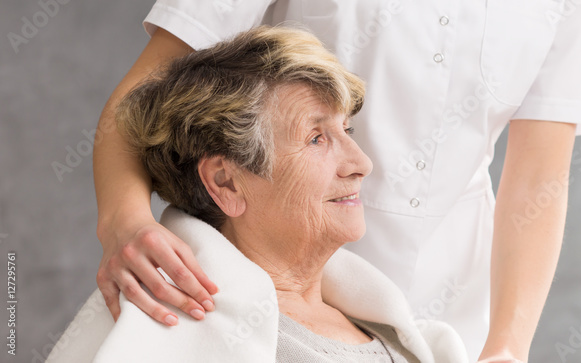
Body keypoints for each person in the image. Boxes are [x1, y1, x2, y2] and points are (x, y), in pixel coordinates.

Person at [92, 1, 581, 361]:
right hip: (268, 284)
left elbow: (539, 176)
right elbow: (141, 98)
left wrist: (508, 345)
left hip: (453, 302)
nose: (360, 162)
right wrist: (126, 223)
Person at [51, 26, 466, 363]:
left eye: (347, 131)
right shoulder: (184, 340)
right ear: (226, 183)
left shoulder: (397, 335)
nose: (361, 163)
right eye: (317, 138)